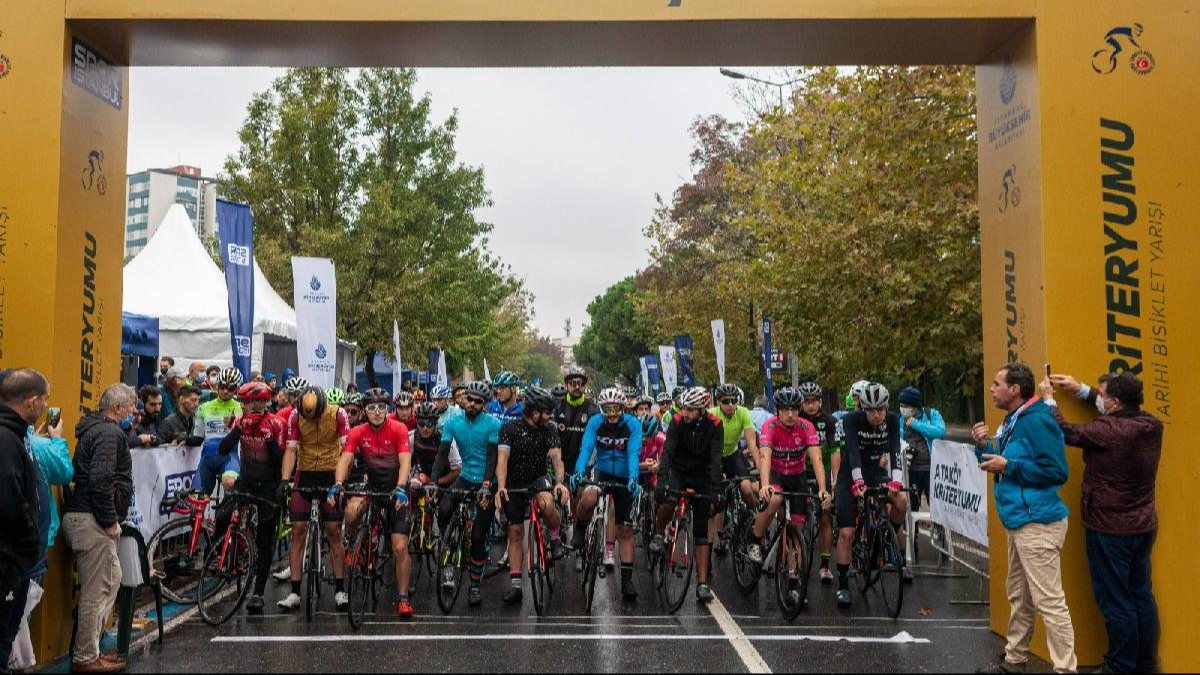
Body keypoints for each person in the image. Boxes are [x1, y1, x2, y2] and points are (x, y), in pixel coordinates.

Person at [1042, 371, 1161, 673]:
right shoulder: (1150, 425)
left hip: (1110, 527)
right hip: (1142, 524)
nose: (1101, 398)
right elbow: (1111, 410)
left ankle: (1119, 665)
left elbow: (1067, 432)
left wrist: (1049, 401)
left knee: (1115, 599)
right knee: (1140, 595)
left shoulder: (1107, 430)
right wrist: (1082, 390)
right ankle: (1146, 664)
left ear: (1117, 402)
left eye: (1104, 394)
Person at [973, 363, 1076, 674]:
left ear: (1014, 390)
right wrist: (984, 447)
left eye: (996, 383)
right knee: (1020, 596)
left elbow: (1057, 471)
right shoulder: (1016, 419)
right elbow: (1004, 462)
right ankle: (1014, 661)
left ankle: (1065, 669)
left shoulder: (1038, 420)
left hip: (1039, 523)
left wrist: (1008, 466)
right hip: (1021, 521)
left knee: (1049, 602)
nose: (991, 388)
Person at [65, 383, 137, 673]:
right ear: (118, 408)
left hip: (86, 517)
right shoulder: (109, 432)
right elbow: (101, 479)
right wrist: (109, 520)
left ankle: (90, 648)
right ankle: (85, 657)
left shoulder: (97, 431)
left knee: (111, 579)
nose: (135, 412)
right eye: (131, 406)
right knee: (98, 590)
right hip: (93, 520)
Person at [329, 387, 416, 618]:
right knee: (351, 510)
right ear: (365, 410)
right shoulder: (357, 432)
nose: (376, 412)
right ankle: (355, 540)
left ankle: (403, 598)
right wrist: (338, 483)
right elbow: (345, 459)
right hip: (373, 488)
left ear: (387, 409)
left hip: (397, 490)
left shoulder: (398, 428)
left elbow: (405, 462)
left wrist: (400, 487)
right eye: (371, 408)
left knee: (399, 547)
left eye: (381, 408)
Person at [747, 387, 831, 605]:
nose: (790, 414)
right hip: (775, 474)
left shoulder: (806, 427)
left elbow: (817, 459)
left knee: (797, 533)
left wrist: (823, 489)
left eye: (794, 409)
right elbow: (765, 455)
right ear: (778, 411)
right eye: (785, 410)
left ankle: (794, 582)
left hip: (797, 476)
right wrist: (765, 485)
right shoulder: (770, 426)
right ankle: (755, 539)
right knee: (774, 499)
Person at [834, 382, 911, 608]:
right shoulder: (851, 420)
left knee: (901, 500)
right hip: (851, 473)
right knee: (847, 532)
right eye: (870, 410)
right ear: (862, 408)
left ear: (887, 407)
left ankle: (890, 536)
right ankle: (843, 585)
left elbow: (895, 450)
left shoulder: (893, 420)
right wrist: (857, 481)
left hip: (876, 472)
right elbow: (853, 451)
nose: (876, 415)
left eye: (880, 410)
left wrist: (896, 480)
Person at [214, 381, 286, 614]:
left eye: (255, 402)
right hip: (246, 481)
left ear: (265, 402)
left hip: (268, 486)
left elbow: (280, 459)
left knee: (265, 541)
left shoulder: (276, 423)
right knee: (222, 515)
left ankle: (258, 593)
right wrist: (237, 429)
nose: (250, 406)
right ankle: (220, 557)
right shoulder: (241, 421)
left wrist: (269, 441)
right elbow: (223, 449)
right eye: (246, 402)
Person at [277, 386, 351, 611]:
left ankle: (340, 589)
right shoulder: (294, 415)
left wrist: (340, 482)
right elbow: (290, 451)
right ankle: (295, 592)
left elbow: (346, 450)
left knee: (333, 531)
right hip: (305, 472)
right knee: (298, 530)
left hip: (331, 472)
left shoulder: (338, 414)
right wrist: (284, 480)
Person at [495, 387, 570, 605]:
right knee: (515, 532)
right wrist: (501, 487)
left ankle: (555, 538)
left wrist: (559, 483)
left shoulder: (550, 429)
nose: (550, 417)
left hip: (538, 479)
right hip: (514, 482)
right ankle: (516, 586)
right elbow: (502, 461)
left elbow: (557, 459)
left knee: (547, 503)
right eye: (546, 412)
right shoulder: (509, 428)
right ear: (534, 411)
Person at [433, 381, 502, 607]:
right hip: (465, 477)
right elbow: (442, 454)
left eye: (477, 402)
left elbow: (492, 457)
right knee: (443, 509)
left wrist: (486, 485)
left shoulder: (493, 424)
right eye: (469, 399)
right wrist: (434, 482)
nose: (471, 404)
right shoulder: (453, 423)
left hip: (485, 480)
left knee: (478, 536)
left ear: (485, 404)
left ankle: (474, 585)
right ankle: (448, 541)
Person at [650, 386, 722, 602]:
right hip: (679, 470)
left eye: (691, 410)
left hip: (702, 474)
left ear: (702, 409)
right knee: (669, 500)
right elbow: (668, 452)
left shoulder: (715, 425)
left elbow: (716, 458)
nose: (685, 413)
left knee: (701, 529)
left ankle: (701, 584)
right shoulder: (677, 421)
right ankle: (659, 531)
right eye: (684, 408)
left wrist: (716, 490)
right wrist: (662, 481)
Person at [571, 387, 643, 600]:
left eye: (615, 409)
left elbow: (633, 453)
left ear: (622, 408)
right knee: (589, 497)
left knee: (625, 530)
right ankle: (580, 530)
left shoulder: (633, 425)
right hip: (601, 472)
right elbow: (586, 449)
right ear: (601, 408)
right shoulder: (595, 422)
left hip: (623, 476)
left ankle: (627, 581)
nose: (611, 413)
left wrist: (633, 477)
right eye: (606, 409)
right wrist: (578, 471)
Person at [0, 369, 50, 672]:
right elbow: (10, 501)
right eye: (44, 400)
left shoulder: (16, 436)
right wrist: (29, 543)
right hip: (9, 564)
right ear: (31, 402)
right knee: (3, 640)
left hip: (14, 561)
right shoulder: (7, 440)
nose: (45, 406)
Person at [796, 381, 842, 583]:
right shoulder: (796, 419)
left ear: (820, 402)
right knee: (795, 515)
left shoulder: (830, 421)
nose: (811, 405)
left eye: (814, 401)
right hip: (800, 470)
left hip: (822, 471)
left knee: (825, 515)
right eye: (807, 401)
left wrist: (835, 482)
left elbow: (834, 453)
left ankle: (824, 565)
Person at [708, 383, 761, 551]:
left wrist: (761, 468)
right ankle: (721, 536)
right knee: (720, 499)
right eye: (726, 401)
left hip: (733, 455)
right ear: (718, 402)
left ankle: (755, 517)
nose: (731, 405)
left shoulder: (743, 412)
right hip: (714, 456)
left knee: (746, 487)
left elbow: (752, 443)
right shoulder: (712, 415)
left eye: (734, 400)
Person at [194, 368, 244, 493]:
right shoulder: (204, 407)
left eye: (230, 388)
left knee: (229, 483)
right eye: (222, 387)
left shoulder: (241, 408)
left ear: (236, 389)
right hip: (207, 457)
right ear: (217, 385)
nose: (225, 391)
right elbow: (198, 437)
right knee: (196, 495)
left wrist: (234, 425)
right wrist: (182, 438)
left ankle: (228, 510)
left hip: (229, 457)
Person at [897, 386, 946, 509]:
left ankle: (937, 528)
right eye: (901, 405)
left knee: (936, 506)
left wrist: (916, 423)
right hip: (910, 470)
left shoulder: (931, 414)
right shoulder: (900, 419)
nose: (903, 409)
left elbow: (940, 432)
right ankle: (914, 529)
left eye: (906, 406)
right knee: (911, 506)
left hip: (932, 470)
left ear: (915, 406)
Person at [410, 402, 461, 488]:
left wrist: (432, 482)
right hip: (421, 480)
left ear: (436, 423)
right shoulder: (411, 437)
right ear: (417, 422)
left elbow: (456, 471)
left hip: (443, 482)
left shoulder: (447, 440)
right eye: (421, 424)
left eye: (429, 424)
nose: (425, 428)